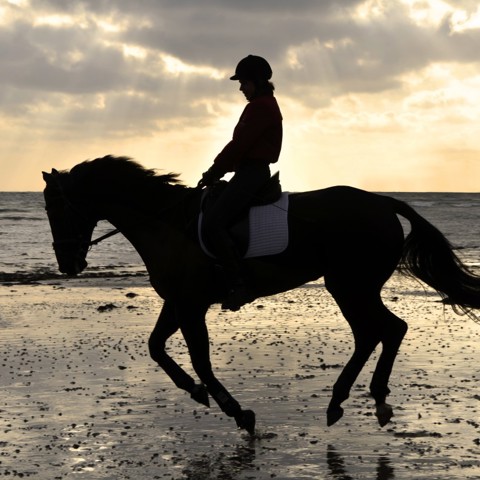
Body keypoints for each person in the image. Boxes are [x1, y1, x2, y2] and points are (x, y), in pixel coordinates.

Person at [198, 55, 283, 311]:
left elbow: (239, 145)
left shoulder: (260, 107)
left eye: (244, 82)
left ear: (256, 81)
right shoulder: (263, 104)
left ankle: (239, 284)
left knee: (213, 223)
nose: (241, 88)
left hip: (251, 174)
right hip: (247, 172)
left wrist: (215, 170)